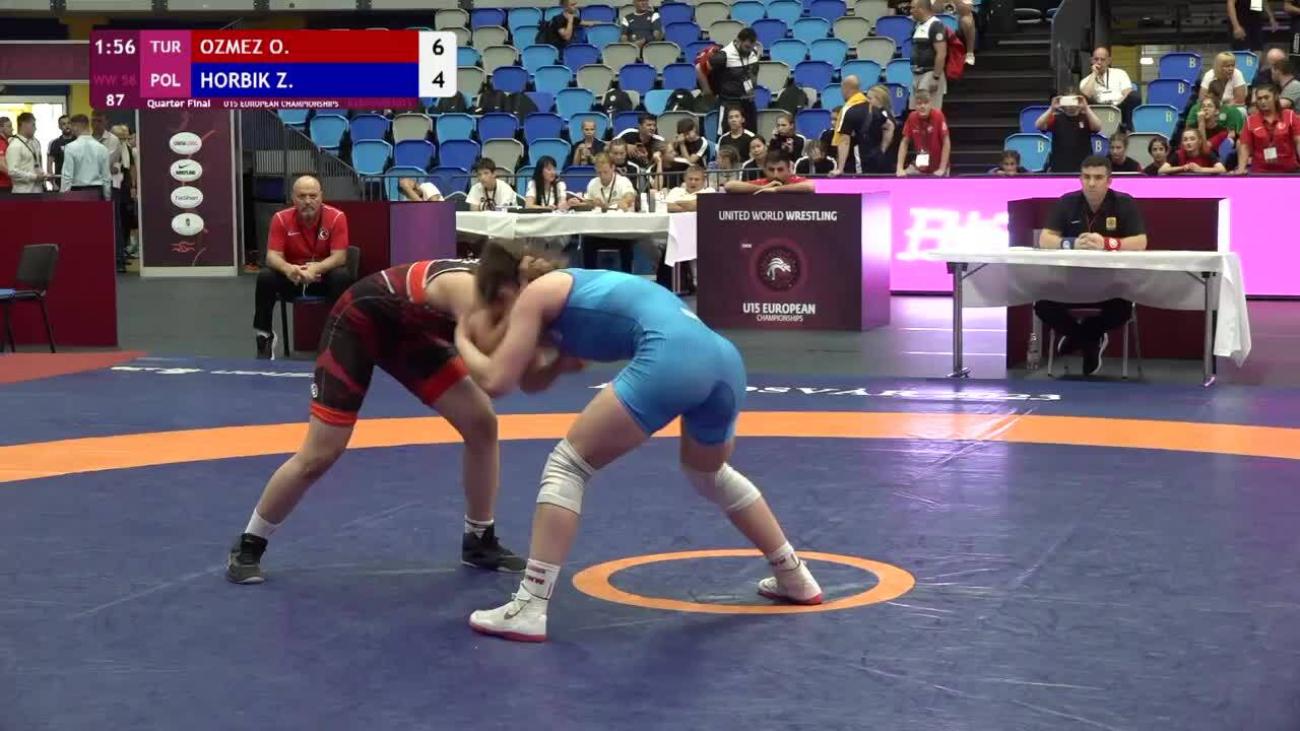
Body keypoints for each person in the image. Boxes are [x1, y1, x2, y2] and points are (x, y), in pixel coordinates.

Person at [456, 244, 824, 642]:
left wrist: (461, 339)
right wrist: (557, 360)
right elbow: (529, 381)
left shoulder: (536, 294)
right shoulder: (564, 295)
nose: (500, 328)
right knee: (709, 473)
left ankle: (529, 606)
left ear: (505, 292)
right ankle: (794, 575)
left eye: (495, 315)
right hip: (722, 362)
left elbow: (496, 381)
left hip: (673, 355)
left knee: (568, 465)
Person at [226, 258, 529, 584]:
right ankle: (250, 543)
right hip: (358, 322)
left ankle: (479, 539)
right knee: (320, 453)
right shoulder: (471, 293)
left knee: (481, 423)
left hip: (410, 332)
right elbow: (493, 378)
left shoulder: (507, 297)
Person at [1034, 156, 1148, 376]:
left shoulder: (1124, 202)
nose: (1092, 183)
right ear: (1080, 178)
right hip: (1071, 283)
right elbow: (1045, 239)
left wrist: (1107, 243)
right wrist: (1071, 243)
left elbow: (1140, 242)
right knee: (1042, 305)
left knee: (1123, 309)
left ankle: (1080, 337)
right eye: (1086, 177)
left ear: (1109, 180)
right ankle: (1090, 340)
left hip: (1111, 286)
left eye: (1098, 177)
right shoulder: (1067, 202)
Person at [254, 175, 354, 359]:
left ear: (321, 196)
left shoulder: (336, 217)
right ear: (293, 198)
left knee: (342, 276)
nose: (307, 201)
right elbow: (272, 256)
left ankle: (338, 338)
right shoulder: (280, 219)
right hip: (293, 279)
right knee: (266, 277)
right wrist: (288, 269)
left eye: (312, 196)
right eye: (302, 196)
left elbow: (340, 257)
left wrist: (316, 268)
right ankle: (264, 336)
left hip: (322, 280)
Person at [1234, 82, 1300, 173]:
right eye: (1259, 98)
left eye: (1266, 97)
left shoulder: (1290, 116)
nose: (1263, 101)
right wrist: (1241, 168)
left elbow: (1298, 141)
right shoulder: (1250, 121)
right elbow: (1245, 146)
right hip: (1260, 172)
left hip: (1289, 171)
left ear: (1275, 97)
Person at [724, 149, 815, 193]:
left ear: (789, 169)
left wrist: (776, 189)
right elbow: (729, 186)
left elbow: (810, 186)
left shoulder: (796, 181)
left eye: (780, 169)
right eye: (771, 170)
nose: (775, 174)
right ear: (764, 170)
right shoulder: (763, 183)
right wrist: (762, 188)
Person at [1161, 128, 1227, 174]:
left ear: (1199, 141)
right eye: (1185, 140)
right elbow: (1162, 170)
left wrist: (1200, 169)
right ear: (1182, 143)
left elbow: (1222, 169)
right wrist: (1182, 168)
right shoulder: (1178, 154)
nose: (1188, 142)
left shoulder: (1207, 153)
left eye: (1192, 139)